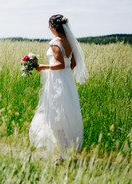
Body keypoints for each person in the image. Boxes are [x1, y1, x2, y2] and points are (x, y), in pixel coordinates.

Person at [29, 14, 88, 162]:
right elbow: (72, 64)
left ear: (53, 27)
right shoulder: (69, 41)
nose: (49, 28)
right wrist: (65, 73)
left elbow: (60, 64)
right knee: (67, 113)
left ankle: (63, 155)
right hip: (67, 80)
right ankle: (67, 151)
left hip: (57, 82)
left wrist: (43, 66)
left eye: (49, 25)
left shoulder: (55, 42)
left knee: (56, 115)